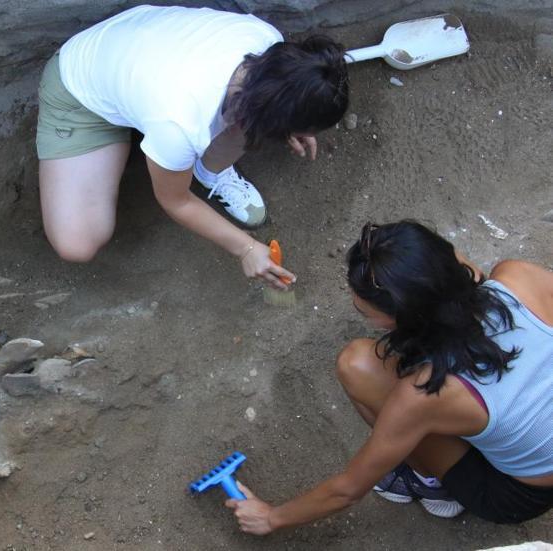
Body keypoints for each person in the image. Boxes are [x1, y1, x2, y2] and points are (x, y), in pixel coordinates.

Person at [226, 220, 553, 533]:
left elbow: (347, 490)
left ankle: (430, 485)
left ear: (405, 317)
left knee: (357, 365)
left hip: (514, 494)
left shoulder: (426, 393)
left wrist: (270, 518)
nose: (361, 311)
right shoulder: (518, 275)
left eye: (366, 312)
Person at [36, 5, 349, 289]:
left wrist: (291, 120)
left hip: (145, 72)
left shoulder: (267, 44)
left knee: (225, 124)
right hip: (81, 95)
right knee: (78, 242)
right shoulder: (179, 123)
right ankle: (135, 132)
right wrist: (246, 248)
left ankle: (208, 169)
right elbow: (176, 201)